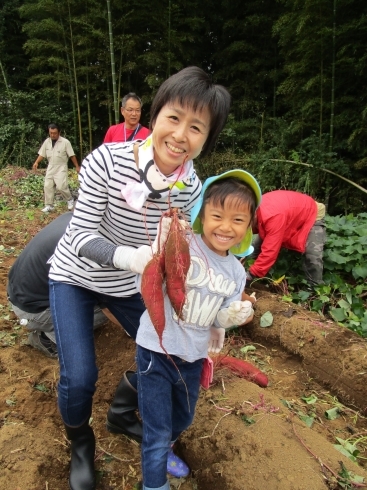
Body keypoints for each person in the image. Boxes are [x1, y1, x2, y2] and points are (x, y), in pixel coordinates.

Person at [48, 66, 231, 490]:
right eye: (174, 117)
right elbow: (78, 235)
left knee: (174, 353)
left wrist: (209, 315)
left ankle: (122, 413)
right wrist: (131, 257)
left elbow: (184, 250)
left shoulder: (189, 186)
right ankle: (80, 442)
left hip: (130, 286)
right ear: (155, 114)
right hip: (77, 277)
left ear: (206, 138)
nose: (180, 135)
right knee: (79, 376)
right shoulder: (105, 161)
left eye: (196, 127)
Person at [135, 170, 261, 490]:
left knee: (184, 418)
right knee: (158, 428)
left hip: (193, 356)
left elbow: (218, 319)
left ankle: (164, 449)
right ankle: (153, 481)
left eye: (237, 220)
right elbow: (151, 279)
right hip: (156, 350)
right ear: (202, 215)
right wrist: (160, 242)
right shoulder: (182, 242)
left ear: (247, 227)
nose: (225, 226)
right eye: (217, 215)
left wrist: (232, 315)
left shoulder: (235, 271)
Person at [7, 213, 108, 359]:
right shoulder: (91, 247)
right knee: (110, 307)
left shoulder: (80, 216)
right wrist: (135, 332)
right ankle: (47, 339)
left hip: (20, 289)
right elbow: (111, 306)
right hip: (33, 310)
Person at [247, 190, 326, 286]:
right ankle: (250, 270)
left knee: (313, 254)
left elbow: (270, 251)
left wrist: (250, 275)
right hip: (289, 212)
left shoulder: (272, 217)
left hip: (312, 213)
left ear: (254, 215)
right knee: (255, 248)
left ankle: (315, 288)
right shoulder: (253, 208)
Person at [32, 123, 80, 213]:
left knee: (61, 186)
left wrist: (77, 166)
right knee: (47, 186)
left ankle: (70, 200)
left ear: (59, 132)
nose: (53, 135)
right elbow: (42, 154)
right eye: (51, 133)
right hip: (50, 166)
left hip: (61, 166)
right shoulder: (47, 142)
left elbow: (72, 155)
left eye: (54, 133)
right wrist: (36, 162)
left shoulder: (65, 142)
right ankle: (49, 205)